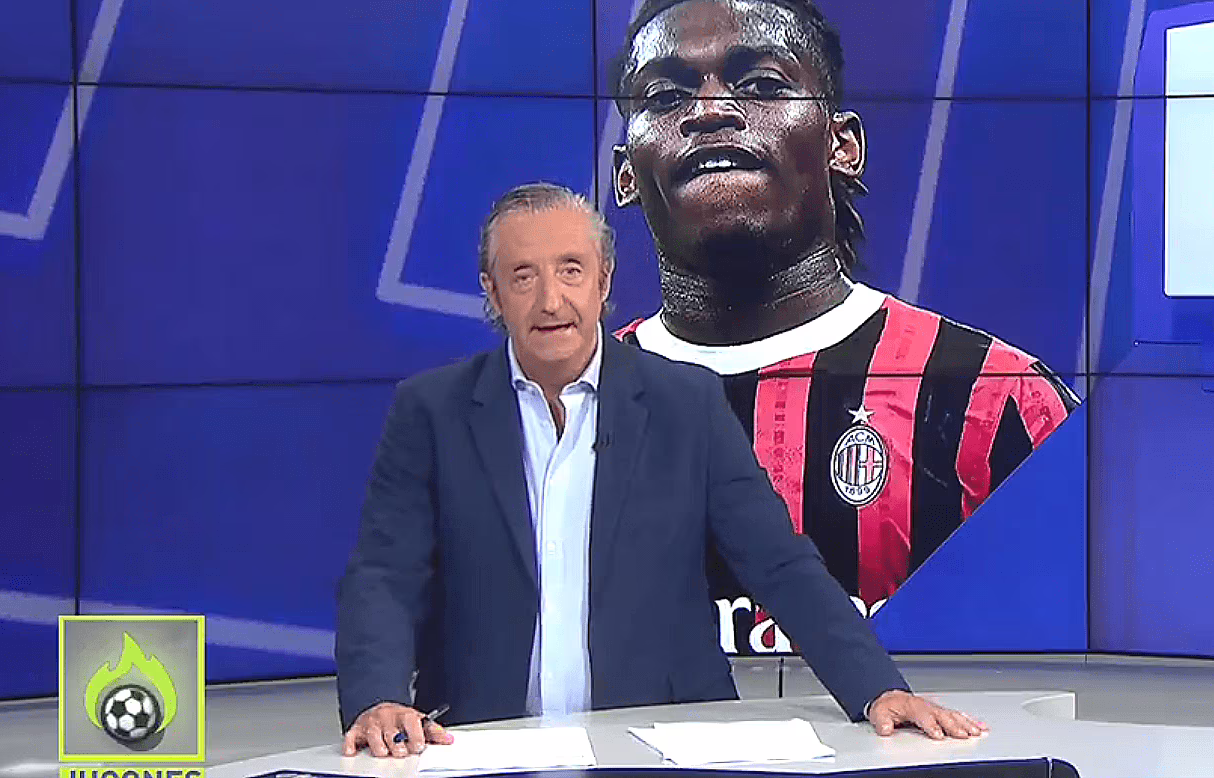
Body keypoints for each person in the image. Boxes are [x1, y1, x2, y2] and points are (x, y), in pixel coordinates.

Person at [335, 183, 985, 758]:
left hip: (661, 743)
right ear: (493, 292)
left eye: (570, 270)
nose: (551, 300)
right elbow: (385, 575)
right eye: (523, 276)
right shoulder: (432, 411)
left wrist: (875, 688)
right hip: (486, 746)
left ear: (604, 281)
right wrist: (377, 698)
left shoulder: (685, 402)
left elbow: (778, 563)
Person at [609, 0, 1080, 620]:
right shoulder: (560, 409)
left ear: (842, 145)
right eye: (667, 96)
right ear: (626, 175)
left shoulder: (998, 403)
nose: (711, 110)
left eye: (762, 85)